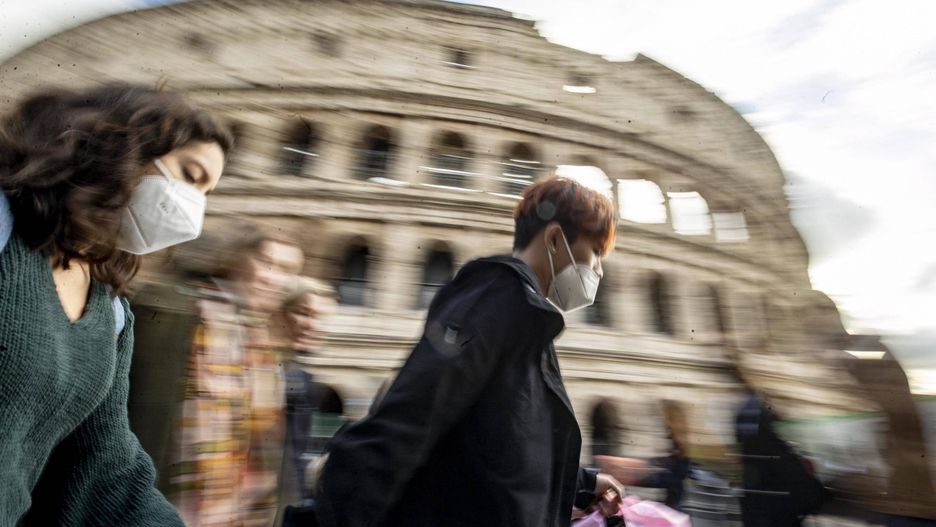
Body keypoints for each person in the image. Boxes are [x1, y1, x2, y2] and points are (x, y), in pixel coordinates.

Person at [315, 177, 625, 527]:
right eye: (595, 252)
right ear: (554, 239)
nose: (598, 268)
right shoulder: (496, 300)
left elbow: (503, 447)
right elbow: (406, 425)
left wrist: (583, 484)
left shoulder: (528, 319)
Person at [0, 84, 231, 525]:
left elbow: (102, 467)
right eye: (190, 174)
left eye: (207, 194)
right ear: (125, 144)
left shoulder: (110, 312)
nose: (193, 207)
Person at [128, 221, 304, 526]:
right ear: (236, 260)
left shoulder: (268, 343)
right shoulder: (175, 313)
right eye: (267, 263)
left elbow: (272, 448)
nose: (276, 280)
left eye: (289, 271)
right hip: (163, 509)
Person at [277, 278, 338, 508]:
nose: (313, 326)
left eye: (322, 318)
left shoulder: (303, 383)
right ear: (281, 312)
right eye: (305, 313)